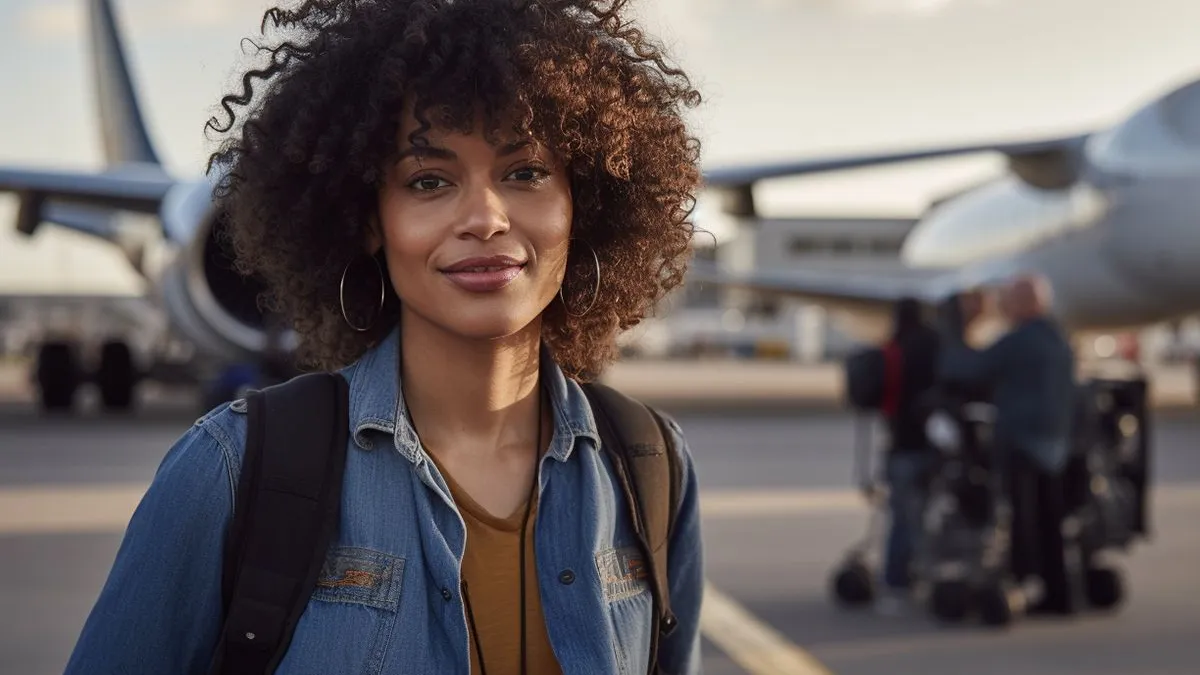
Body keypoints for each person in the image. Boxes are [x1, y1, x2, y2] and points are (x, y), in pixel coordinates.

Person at [63, 1, 705, 672]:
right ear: (367, 219)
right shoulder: (227, 472)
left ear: (585, 201)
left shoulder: (650, 468)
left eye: (525, 173)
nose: (485, 217)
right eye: (430, 181)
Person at [939, 274, 1077, 615]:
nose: (1002, 305)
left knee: (1023, 520)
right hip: (1055, 445)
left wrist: (959, 326)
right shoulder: (1059, 341)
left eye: (1007, 299)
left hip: (1022, 443)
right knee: (1050, 520)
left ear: (1024, 304)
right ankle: (1057, 594)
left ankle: (1025, 583)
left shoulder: (1021, 341)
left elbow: (965, 368)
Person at [876, 297, 941, 614]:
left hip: (898, 446)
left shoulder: (894, 347)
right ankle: (919, 576)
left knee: (900, 517)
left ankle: (896, 581)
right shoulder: (933, 346)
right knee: (920, 517)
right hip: (928, 446)